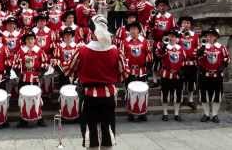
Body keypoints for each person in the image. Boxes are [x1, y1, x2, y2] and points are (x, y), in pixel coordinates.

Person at [64, 14, 129, 150]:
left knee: (90, 131)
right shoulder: (116, 51)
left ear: (92, 32)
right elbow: (124, 73)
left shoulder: (81, 50)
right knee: (107, 129)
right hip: (108, 95)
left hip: (89, 96)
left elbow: (68, 70)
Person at [13, 30, 48, 127]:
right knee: (23, 98)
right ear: (25, 41)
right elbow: (15, 64)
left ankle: (39, 117)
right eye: (28, 39)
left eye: (32, 39)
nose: (30, 41)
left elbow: (45, 63)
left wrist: (41, 72)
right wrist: (19, 72)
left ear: (35, 40)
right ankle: (22, 119)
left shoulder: (39, 50)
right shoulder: (20, 51)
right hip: (24, 77)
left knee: (38, 98)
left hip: (35, 77)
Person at [121, 22, 152, 122]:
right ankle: (130, 112)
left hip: (141, 70)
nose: (133, 31)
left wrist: (147, 61)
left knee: (143, 91)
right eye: (131, 29)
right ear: (129, 31)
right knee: (130, 91)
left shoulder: (144, 41)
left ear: (139, 30)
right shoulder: (125, 41)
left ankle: (143, 113)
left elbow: (149, 54)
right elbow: (121, 55)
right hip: (129, 70)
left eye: (135, 29)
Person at [198, 27, 230, 123]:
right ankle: (206, 114)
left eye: (211, 36)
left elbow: (227, 59)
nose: (209, 37)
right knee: (204, 95)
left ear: (216, 37)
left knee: (217, 96)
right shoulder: (202, 46)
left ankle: (215, 114)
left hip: (217, 76)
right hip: (204, 76)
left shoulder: (221, 47)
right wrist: (203, 48)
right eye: (208, 35)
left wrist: (221, 68)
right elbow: (197, 57)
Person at [155, 30, 186, 122]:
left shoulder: (181, 48)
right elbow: (158, 55)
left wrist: (181, 70)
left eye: (174, 37)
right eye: (170, 36)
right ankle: (165, 113)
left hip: (177, 74)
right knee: (165, 94)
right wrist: (164, 46)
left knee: (178, 94)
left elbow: (183, 60)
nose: (172, 38)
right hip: (166, 73)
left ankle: (176, 113)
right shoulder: (163, 47)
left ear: (177, 39)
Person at [147, 0, 176, 87]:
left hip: (168, 43)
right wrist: (152, 18)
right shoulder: (155, 16)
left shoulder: (170, 17)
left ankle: (165, 78)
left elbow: (174, 29)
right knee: (156, 61)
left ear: (167, 7)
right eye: (160, 6)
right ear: (157, 7)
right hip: (157, 42)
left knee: (167, 61)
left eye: (164, 6)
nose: (162, 8)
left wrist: (170, 40)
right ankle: (155, 80)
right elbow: (149, 27)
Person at [178, 16, 199, 110]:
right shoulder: (177, 35)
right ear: (181, 24)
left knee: (191, 82)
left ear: (190, 25)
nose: (186, 25)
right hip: (181, 63)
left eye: (188, 23)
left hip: (191, 63)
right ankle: (181, 98)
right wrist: (180, 34)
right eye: (184, 23)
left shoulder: (195, 35)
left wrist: (195, 54)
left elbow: (197, 47)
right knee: (181, 82)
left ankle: (190, 100)